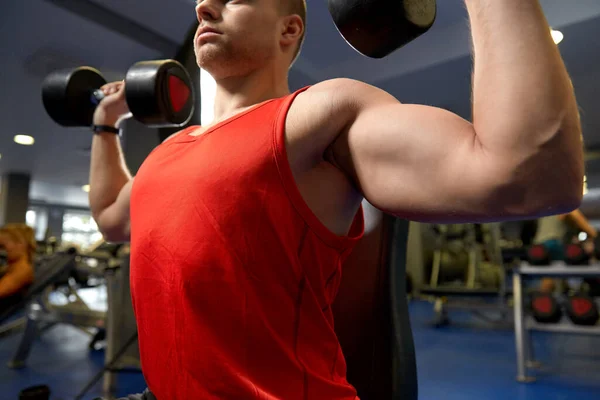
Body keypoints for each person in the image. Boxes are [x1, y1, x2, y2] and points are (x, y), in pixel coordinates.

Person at [88, 0, 583, 398]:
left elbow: (530, 176)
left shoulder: (316, 115)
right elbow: (112, 218)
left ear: (289, 30)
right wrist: (106, 124)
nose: (204, 8)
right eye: (202, 1)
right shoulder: (168, 152)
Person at [534, 210, 598, 293]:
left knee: (550, 278)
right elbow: (581, 222)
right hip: (553, 244)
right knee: (553, 277)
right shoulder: (566, 207)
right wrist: (596, 236)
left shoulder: (546, 208)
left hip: (538, 247)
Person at [0, 224, 36, 311]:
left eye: (3, 246)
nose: (1, 251)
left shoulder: (23, 270)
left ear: (20, 244)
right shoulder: (10, 268)